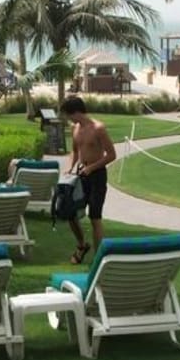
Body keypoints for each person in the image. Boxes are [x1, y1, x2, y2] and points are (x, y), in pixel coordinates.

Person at [60, 96, 116, 265]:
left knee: (94, 217)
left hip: (97, 175)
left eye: (68, 115)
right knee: (70, 212)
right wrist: (70, 167)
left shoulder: (98, 128)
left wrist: (92, 168)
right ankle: (82, 245)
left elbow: (111, 155)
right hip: (80, 176)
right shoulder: (75, 128)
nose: (68, 118)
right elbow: (75, 151)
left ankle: (98, 258)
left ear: (76, 112)